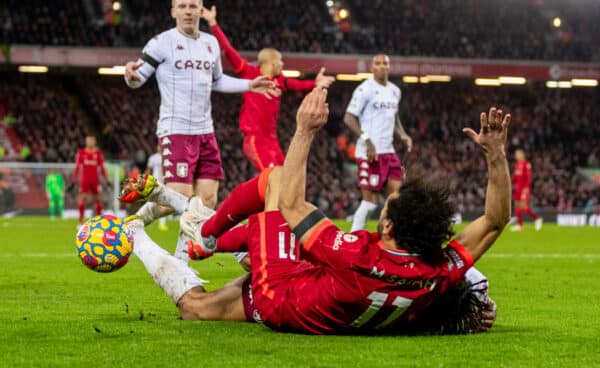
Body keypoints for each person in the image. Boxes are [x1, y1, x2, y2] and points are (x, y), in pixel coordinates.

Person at [122, 89, 509, 335]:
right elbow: (494, 220)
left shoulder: (354, 254)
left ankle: (195, 234)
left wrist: (304, 130)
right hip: (317, 295)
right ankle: (145, 234)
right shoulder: (437, 271)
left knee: (275, 182)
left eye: (385, 209)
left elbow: (291, 203)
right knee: (194, 309)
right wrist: (496, 157)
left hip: (281, 294)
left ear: (388, 225)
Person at [123, 0, 277, 259]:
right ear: (173, 12)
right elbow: (137, 77)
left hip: (206, 132)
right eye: (182, 6)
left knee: (206, 200)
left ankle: (181, 262)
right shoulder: (161, 42)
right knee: (181, 197)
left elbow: (217, 80)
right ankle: (134, 224)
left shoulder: (210, 43)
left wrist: (248, 84)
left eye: (193, 6)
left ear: (200, 11)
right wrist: (130, 75)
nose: (188, 12)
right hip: (176, 130)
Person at [200, 6, 335, 172]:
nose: (282, 64)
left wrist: (316, 83)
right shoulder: (249, 72)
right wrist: (213, 23)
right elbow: (228, 49)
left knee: (284, 179)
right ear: (270, 62)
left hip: (272, 140)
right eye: (280, 61)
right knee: (271, 179)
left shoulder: (280, 80)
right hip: (255, 139)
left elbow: (298, 85)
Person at [344, 54, 413, 232]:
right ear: (372, 67)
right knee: (370, 203)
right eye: (378, 63)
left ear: (389, 67)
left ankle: (391, 238)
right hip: (369, 153)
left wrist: (403, 135)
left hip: (388, 152)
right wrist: (367, 140)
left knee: (396, 199)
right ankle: (353, 238)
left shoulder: (395, 91)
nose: (382, 66)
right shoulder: (364, 89)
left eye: (385, 63)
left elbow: (394, 118)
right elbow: (349, 117)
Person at [71, 135, 109, 226]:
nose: (90, 142)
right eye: (88, 141)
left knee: (98, 200)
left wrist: (107, 179)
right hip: (85, 180)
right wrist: (74, 179)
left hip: (95, 180)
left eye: (92, 141)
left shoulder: (98, 154)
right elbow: (77, 167)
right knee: (82, 199)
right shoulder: (81, 153)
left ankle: (99, 221)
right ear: (86, 142)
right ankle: (80, 222)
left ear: (94, 142)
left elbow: (102, 168)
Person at [510, 148, 543, 231]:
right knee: (517, 206)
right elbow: (515, 177)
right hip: (518, 188)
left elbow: (528, 178)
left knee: (523, 206)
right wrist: (509, 182)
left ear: (522, 155)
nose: (516, 156)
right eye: (515, 154)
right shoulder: (517, 164)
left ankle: (537, 218)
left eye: (518, 154)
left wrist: (526, 189)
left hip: (524, 189)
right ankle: (520, 225)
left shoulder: (526, 164)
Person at [145, 143, 168, 231]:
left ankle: (162, 224)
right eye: (159, 146)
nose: (160, 147)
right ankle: (144, 219)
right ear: (157, 147)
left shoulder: (168, 157)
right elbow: (148, 170)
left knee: (164, 204)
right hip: (155, 183)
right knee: (151, 202)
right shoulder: (153, 158)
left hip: (164, 183)